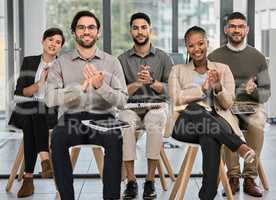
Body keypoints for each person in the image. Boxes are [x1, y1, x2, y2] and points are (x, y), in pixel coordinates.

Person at [45, 10, 128, 200]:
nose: (86, 31)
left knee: (115, 139)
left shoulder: (112, 62)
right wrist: (78, 89)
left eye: (91, 27)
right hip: (71, 119)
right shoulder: (61, 63)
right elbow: (50, 99)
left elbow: (123, 102)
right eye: (81, 27)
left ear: (98, 32)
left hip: (104, 118)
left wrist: (101, 87)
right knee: (57, 138)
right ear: (74, 32)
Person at [168, 26, 256, 200]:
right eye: (191, 45)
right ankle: (239, 146)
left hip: (216, 122)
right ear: (187, 48)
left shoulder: (222, 69)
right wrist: (202, 88)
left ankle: (207, 196)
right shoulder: (177, 70)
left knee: (209, 136)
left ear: (207, 43)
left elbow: (228, 103)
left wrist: (217, 87)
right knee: (194, 108)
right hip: (184, 125)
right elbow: (176, 98)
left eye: (200, 43)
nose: (196, 49)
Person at [208, 12, 271, 197]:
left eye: (240, 26)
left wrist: (254, 91)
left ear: (247, 30)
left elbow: (266, 93)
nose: (237, 30)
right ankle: (233, 176)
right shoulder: (214, 56)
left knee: (258, 120)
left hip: (251, 107)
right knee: (227, 122)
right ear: (226, 29)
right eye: (233, 26)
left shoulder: (258, 57)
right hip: (226, 106)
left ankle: (250, 178)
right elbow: (207, 90)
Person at [118, 12, 173, 199]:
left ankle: (150, 181)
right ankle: (131, 182)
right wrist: (138, 83)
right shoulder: (122, 59)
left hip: (156, 106)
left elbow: (170, 90)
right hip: (130, 107)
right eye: (135, 28)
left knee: (155, 119)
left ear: (150, 30)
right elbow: (120, 92)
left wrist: (151, 81)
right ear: (131, 31)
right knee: (125, 122)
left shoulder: (163, 58)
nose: (140, 31)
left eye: (143, 27)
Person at [8, 27, 65, 198]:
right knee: (34, 111)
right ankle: (45, 160)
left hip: (50, 114)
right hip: (26, 109)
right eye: (50, 40)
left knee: (35, 116)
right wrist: (39, 84)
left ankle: (28, 179)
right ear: (43, 41)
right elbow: (20, 93)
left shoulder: (62, 66)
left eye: (58, 42)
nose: (53, 44)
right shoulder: (29, 61)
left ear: (61, 47)